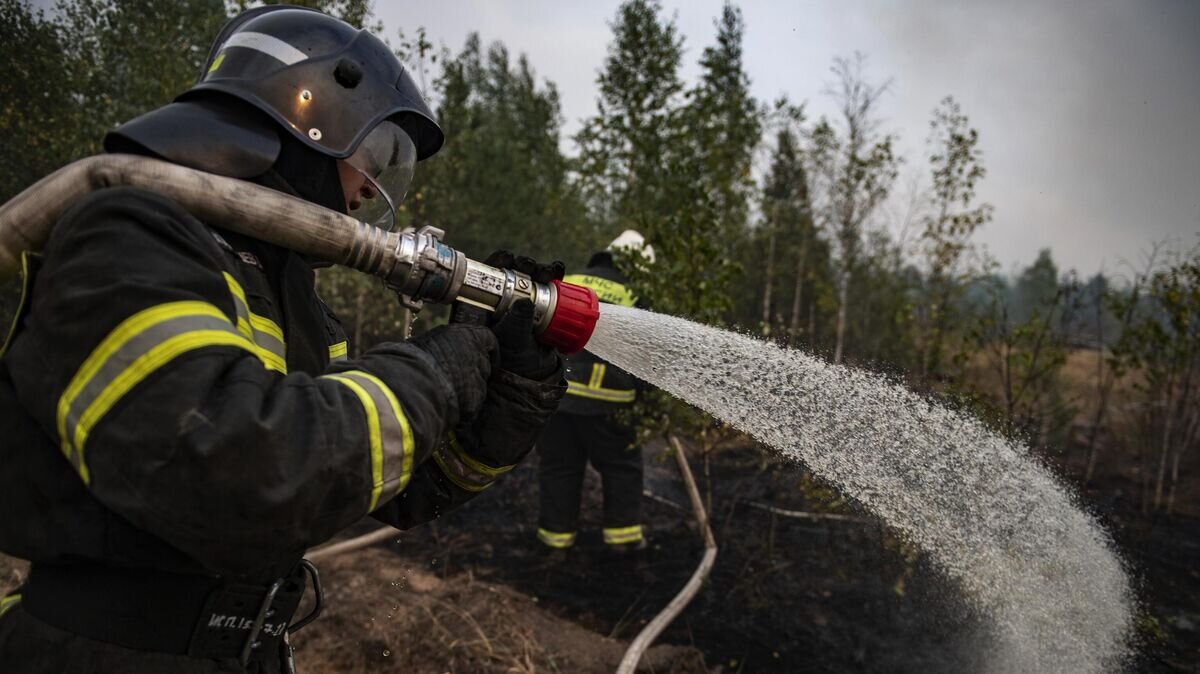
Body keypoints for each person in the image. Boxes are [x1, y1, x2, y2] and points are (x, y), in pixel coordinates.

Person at [0, 6, 564, 673]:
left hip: (245, 651)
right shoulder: (127, 234)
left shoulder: (287, 295)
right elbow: (245, 474)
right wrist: (437, 371)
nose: (365, 193)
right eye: (376, 154)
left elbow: (385, 480)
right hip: (107, 652)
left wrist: (509, 388)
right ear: (312, 112)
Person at [536, 231, 652, 554]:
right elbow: (647, 357)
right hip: (609, 405)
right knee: (622, 469)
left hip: (557, 398)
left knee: (559, 468)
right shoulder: (635, 293)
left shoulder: (572, 280)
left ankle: (554, 545)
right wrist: (646, 401)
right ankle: (624, 543)